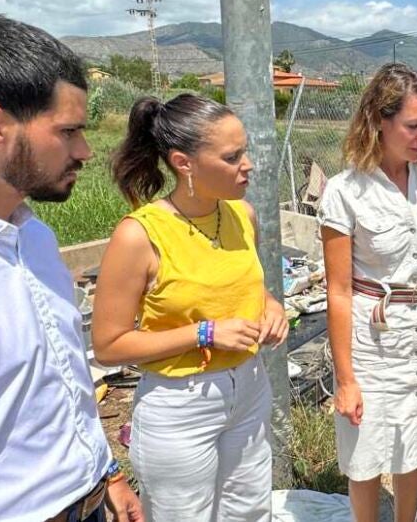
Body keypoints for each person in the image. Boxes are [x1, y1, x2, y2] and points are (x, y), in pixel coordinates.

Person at [0, 13, 143, 521]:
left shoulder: (33, 237)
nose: (85, 151)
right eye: (68, 131)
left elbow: (60, 378)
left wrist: (106, 473)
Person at [91, 93, 288, 521]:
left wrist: (272, 306)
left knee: (251, 512)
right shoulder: (139, 235)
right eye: (232, 157)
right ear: (184, 163)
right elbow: (108, 345)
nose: (248, 164)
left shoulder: (242, 215)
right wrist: (204, 333)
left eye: (245, 151)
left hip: (250, 388)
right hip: (180, 404)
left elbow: (248, 287)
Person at [318, 63, 417, 522]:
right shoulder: (345, 192)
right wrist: (346, 379)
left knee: (414, 442)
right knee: (365, 454)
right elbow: (339, 291)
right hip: (373, 345)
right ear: (378, 120)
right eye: (413, 125)